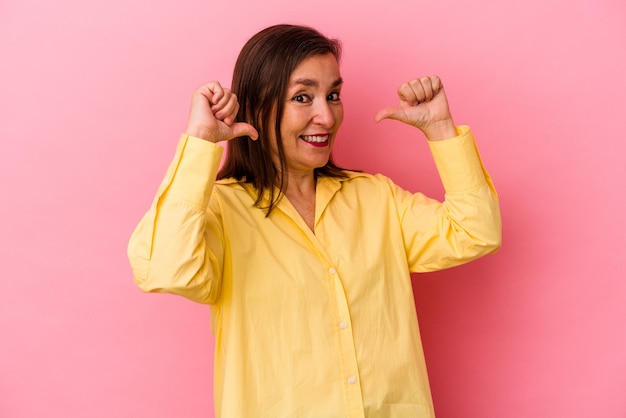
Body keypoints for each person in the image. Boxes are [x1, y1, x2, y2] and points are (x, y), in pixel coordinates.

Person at [128, 24, 501, 418]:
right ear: (256, 106)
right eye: (302, 97)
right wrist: (201, 140)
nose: (326, 116)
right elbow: (167, 272)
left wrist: (442, 130)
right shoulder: (219, 211)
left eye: (333, 95)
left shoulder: (375, 197)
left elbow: (475, 232)